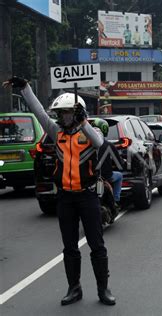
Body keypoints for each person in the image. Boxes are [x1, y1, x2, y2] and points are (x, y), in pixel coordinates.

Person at [2, 77, 116, 306]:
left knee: (97, 245)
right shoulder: (57, 133)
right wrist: (25, 89)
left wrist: (84, 122)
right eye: (60, 113)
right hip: (65, 197)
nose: (62, 117)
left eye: (67, 113)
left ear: (78, 113)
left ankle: (103, 289)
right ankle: (74, 289)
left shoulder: (91, 132)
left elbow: (98, 142)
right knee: (69, 246)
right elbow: (39, 112)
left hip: (88, 195)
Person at [91, 118, 124, 208]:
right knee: (120, 175)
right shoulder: (109, 145)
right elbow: (119, 164)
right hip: (107, 176)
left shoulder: (86, 145)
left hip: (91, 177)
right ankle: (116, 200)